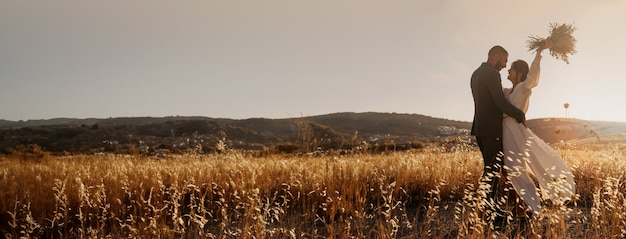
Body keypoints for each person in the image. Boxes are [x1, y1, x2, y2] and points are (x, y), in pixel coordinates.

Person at [502, 40, 576, 220]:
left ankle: (531, 207)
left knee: (515, 168)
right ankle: (524, 206)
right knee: (508, 170)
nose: (508, 71)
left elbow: (533, 77)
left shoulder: (523, 88)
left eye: (511, 69)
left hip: (515, 132)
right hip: (506, 131)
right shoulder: (508, 91)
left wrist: (539, 53)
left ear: (519, 72)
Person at [470, 45, 526, 228]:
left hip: (480, 129)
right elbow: (500, 102)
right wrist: (519, 114)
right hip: (492, 130)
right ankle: (490, 214)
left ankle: (490, 209)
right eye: (504, 61)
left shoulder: (476, 73)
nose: (504, 65)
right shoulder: (493, 75)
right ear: (496, 56)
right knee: (492, 173)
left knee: (489, 170)